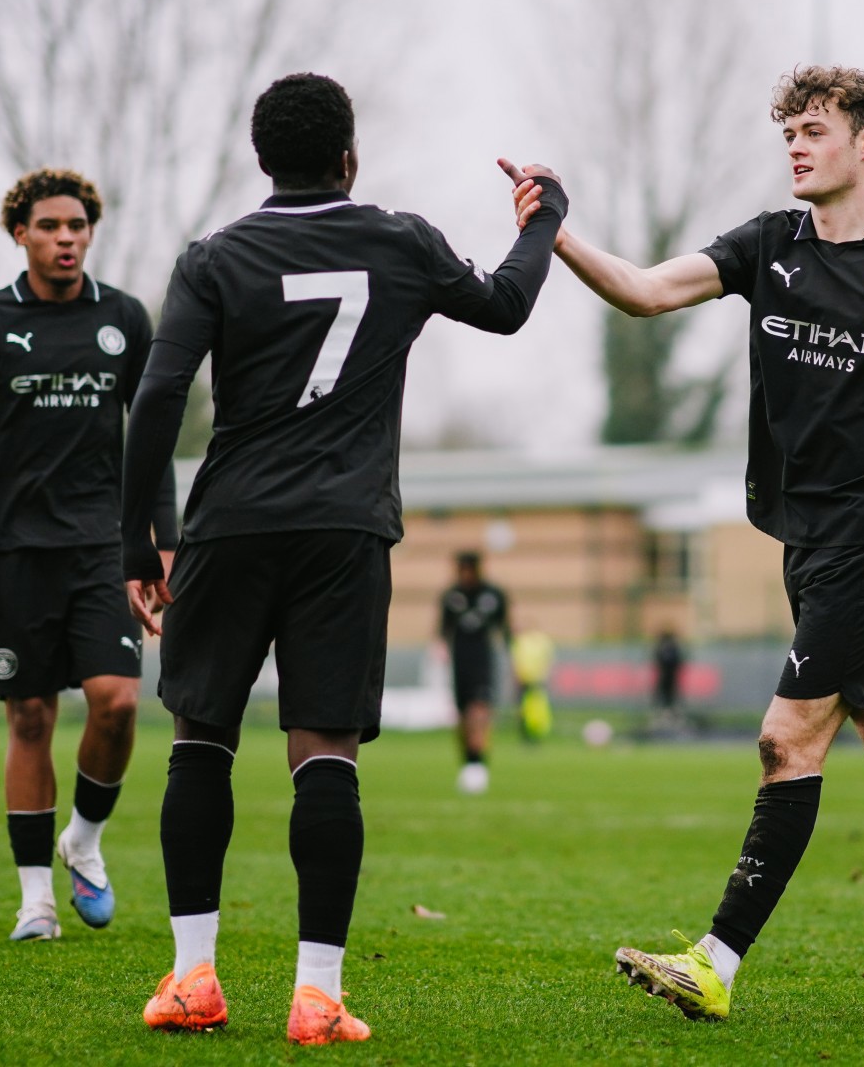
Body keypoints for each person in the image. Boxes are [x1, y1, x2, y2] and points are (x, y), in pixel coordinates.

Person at [520, 65, 864, 1017]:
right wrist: (554, 232)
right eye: (788, 134)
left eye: (814, 130)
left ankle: (715, 963)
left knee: (786, 739)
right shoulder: (767, 244)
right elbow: (646, 293)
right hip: (807, 540)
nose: (796, 147)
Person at [116, 73, 567, 1044]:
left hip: (228, 526)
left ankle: (194, 979)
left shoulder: (214, 258)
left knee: (201, 741)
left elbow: (157, 399)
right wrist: (542, 219)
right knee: (324, 755)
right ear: (350, 157)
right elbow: (506, 304)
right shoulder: (400, 242)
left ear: (263, 159)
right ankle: (316, 996)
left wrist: (138, 540)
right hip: (346, 531)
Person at [0, 168, 178, 942]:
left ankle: (84, 838)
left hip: (101, 551)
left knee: (115, 702)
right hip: (12, 556)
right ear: (21, 234)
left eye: (78, 226)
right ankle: (35, 901)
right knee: (32, 717)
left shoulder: (123, 319)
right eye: (49, 226)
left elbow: (151, 443)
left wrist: (158, 545)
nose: (66, 238)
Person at [439, 551, 511, 792]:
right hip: (460, 662)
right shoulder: (451, 596)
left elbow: (505, 628)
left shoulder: (493, 594)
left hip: (483, 660)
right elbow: (443, 631)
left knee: (479, 711)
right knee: (462, 718)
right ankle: (467, 762)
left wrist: (513, 656)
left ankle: (478, 764)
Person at [511, 622, 556, 743]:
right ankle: (526, 735)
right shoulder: (522, 641)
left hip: (536, 679)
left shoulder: (536, 641)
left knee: (536, 708)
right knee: (524, 709)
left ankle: (536, 734)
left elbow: (547, 660)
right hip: (525, 679)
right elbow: (517, 660)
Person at [653, 628, 686, 730]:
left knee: (670, 696)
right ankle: (664, 715)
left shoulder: (669, 648)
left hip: (670, 678)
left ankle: (670, 715)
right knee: (665, 696)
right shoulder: (665, 648)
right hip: (665, 678)